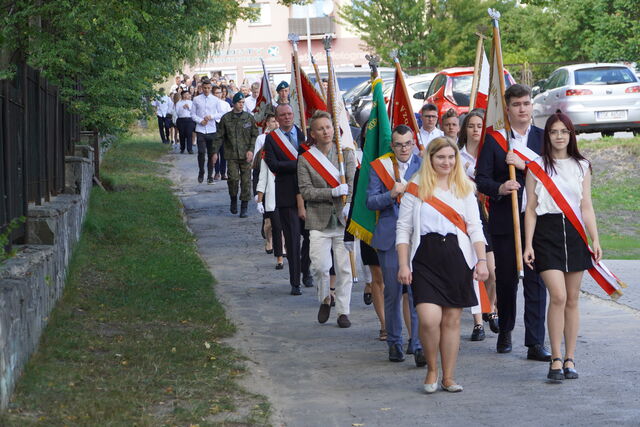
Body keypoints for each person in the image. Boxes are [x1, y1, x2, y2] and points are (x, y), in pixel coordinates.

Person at [397, 137, 489, 393]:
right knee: (428, 319)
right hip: (425, 257)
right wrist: (403, 265)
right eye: (441, 157)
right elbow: (403, 229)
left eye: (451, 157)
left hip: (457, 256)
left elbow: (475, 228)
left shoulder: (465, 187)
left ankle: (448, 377)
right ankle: (431, 369)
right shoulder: (415, 187)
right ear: (430, 158)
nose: (446, 162)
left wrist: (481, 260)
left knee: (451, 320)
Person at [476, 84, 551, 361]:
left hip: (537, 222)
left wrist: (523, 166)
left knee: (536, 281)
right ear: (507, 109)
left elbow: (552, 176)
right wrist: (500, 188)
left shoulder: (543, 139)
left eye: (526, 103)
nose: (523, 109)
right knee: (507, 281)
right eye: (517, 104)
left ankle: (535, 342)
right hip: (506, 222)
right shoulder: (496, 140)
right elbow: (481, 178)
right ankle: (505, 330)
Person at [523, 112, 598, 381]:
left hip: (575, 234)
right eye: (553, 132)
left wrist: (595, 238)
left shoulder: (582, 166)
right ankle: (555, 358)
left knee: (573, 299)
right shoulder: (535, 167)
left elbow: (586, 206)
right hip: (546, 233)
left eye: (563, 131)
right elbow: (530, 209)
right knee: (558, 296)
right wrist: (527, 244)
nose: (558, 136)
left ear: (571, 135)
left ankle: (570, 358)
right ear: (547, 136)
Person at [366, 125, 425, 366]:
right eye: (399, 144)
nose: (403, 148)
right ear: (392, 146)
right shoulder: (379, 167)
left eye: (408, 143)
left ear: (413, 144)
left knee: (416, 293)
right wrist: (390, 194)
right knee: (392, 292)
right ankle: (394, 343)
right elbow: (370, 202)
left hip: (417, 237)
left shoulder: (423, 165)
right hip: (390, 238)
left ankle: (418, 344)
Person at [298, 110, 356, 328]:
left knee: (344, 269)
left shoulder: (346, 154)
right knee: (320, 267)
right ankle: (325, 298)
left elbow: (350, 183)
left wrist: (348, 203)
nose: (326, 132)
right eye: (321, 128)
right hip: (318, 220)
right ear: (313, 133)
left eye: (329, 127)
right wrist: (331, 192)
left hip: (342, 219)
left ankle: (343, 311)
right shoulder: (305, 159)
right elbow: (306, 191)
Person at [458, 109, 499, 340]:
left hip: (490, 216)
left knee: (492, 272)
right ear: (465, 129)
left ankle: (490, 308)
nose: (475, 130)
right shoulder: (457, 156)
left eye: (479, 125)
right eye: (471, 125)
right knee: (475, 271)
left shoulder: (490, 154)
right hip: (469, 217)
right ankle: (477, 323)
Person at [263, 104, 308, 295]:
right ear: (277, 118)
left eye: (290, 114)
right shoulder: (272, 139)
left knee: (311, 237)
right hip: (286, 195)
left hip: (306, 193)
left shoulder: (302, 133)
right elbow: (273, 164)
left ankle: (306, 270)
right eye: (283, 115)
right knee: (292, 240)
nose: (287, 117)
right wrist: (297, 164)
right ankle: (295, 282)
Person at [215, 92, 259, 217]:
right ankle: (233, 199)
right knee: (233, 179)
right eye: (239, 103)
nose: (241, 105)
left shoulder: (249, 118)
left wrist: (251, 150)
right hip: (232, 154)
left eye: (243, 103)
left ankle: (244, 206)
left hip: (246, 155)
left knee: (246, 181)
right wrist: (214, 152)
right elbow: (219, 137)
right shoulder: (226, 118)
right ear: (234, 103)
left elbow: (254, 135)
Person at [191, 78, 228, 184]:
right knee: (201, 152)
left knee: (212, 154)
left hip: (212, 129)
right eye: (205, 88)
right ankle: (201, 171)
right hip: (201, 129)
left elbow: (221, 113)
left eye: (208, 88)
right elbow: (192, 114)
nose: (206, 90)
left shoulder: (215, 100)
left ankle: (210, 176)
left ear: (211, 88)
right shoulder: (196, 99)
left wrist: (211, 116)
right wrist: (200, 120)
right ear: (202, 88)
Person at [213, 85, 232, 180]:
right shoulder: (210, 104)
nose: (218, 95)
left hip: (224, 128)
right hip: (214, 127)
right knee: (215, 151)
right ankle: (216, 172)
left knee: (224, 152)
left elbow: (229, 116)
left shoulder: (225, 104)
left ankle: (223, 172)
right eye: (216, 93)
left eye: (219, 93)